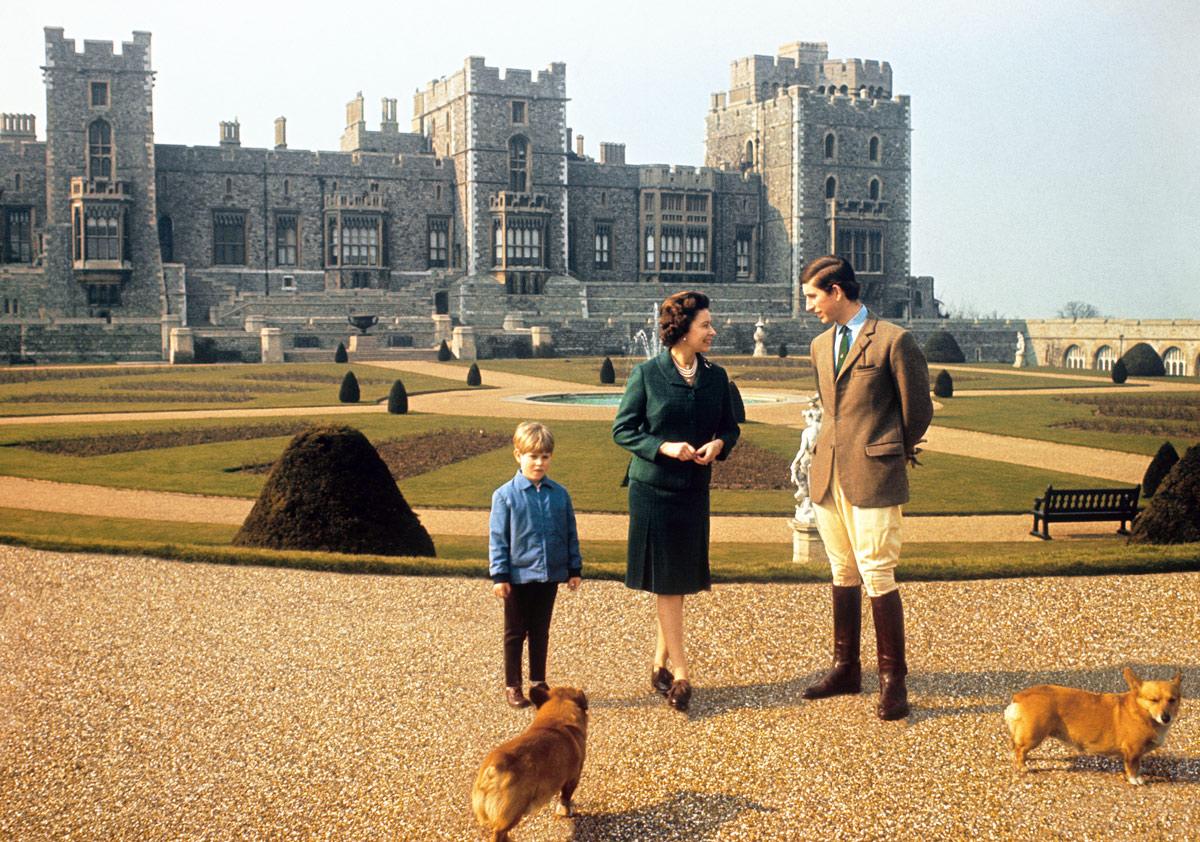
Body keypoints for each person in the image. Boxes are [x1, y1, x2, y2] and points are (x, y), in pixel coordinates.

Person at [800, 256, 933, 720]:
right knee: (842, 570)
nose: (810, 307)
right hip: (828, 473)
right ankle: (846, 668)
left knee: (877, 572)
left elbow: (918, 410)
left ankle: (893, 681)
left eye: (814, 297)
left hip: (874, 472)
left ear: (836, 291)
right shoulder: (819, 346)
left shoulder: (894, 340)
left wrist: (893, 447)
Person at [612, 291, 740, 712]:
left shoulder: (716, 378)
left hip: (694, 491)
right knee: (669, 584)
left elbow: (731, 427)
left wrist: (720, 444)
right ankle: (682, 673)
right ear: (682, 331)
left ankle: (658, 664)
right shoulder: (647, 374)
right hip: (653, 493)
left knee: (679, 582)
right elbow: (624, 430)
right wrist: (664, 447)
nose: (712, 331)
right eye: (705, 324)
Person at [489, 421, 582, 709]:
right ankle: (513, 685)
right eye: (533, 456)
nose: (539, 463)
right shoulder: (505, 495)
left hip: (549, 574)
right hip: (517, 576)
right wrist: (499, 575)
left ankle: (538, 682)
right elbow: (498, 538)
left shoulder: (559, 494)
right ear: (518, 455)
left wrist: (574, 568)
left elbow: (570, 532)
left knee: (541, 630)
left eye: (545, 457)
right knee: (515, 632)